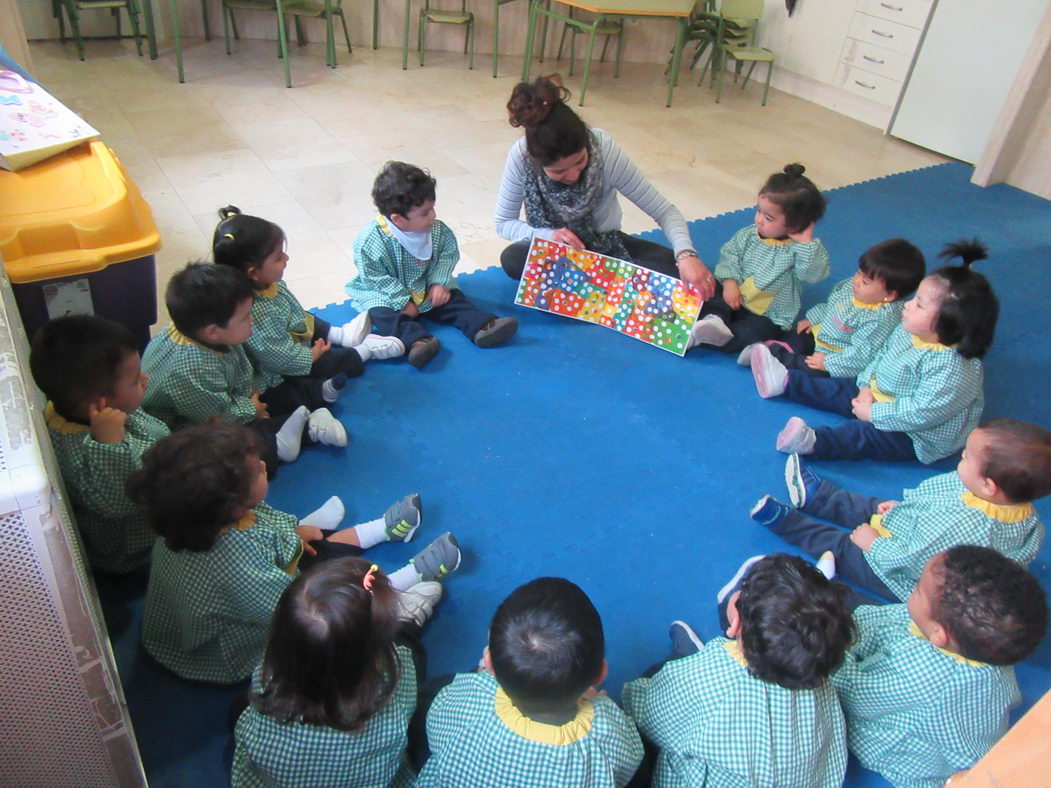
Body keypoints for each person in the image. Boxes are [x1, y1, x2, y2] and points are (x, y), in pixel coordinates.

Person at [128, 422, 462, 684]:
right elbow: (299, 607)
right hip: (223, 652)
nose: (262, 464)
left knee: (310, 543)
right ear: (232, 506)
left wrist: (293, 532)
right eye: (256, 471)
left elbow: (260, 523)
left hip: (243, 594)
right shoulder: (236, 563)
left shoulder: (189, 519)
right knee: (329, 584)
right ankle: (398, 587)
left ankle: (379, 531)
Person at [751, 418, 1048, 602]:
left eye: (967, 457)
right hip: (915, 530)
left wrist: (874, 544)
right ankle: (818, 497)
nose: (961, 456)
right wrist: (904, 510)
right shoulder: (1024, 517)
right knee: (872, 507)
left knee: (842, 546)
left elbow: (915, 561)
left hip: (901, 573)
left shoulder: (961, 525)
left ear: (988, 486)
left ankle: (787, 522)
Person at [622, 554, 854, 788]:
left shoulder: (713, 681)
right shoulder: (815, 664)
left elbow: (650, 716)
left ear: (734, 625)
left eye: (743, 590)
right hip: (813, 778)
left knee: (651, 691)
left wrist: (634, 696)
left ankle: (683, 655)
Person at [764, 240, 997, 463]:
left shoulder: (953, 368)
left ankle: (814, 442)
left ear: (947, 323)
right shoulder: (908, 330)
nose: (906, 304)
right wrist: (865, 385)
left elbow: (922, 412)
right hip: (879, 393)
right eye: (914, 299)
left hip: (916, 433)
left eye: (919, 305)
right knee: (836, 389)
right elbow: (880, 356)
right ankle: (786, 383)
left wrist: (874, 413)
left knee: (863, 436)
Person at [832, 546, 1047, 787]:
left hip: (906, 754)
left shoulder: (921, 677)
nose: (914, 588)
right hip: (948, 718)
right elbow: (897, 617)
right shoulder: (980, 646)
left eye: (918, 590)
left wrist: (836, 647)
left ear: (938, 633)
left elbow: (852, 694)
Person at [496, 76, 716, 300]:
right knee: (514, 258)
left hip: (606, 245)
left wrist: (686, 255)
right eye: (559, 172)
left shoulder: (604, 150)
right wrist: (547, 235)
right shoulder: (522, 157)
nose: (573, 175)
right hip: (557, 254)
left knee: (696, 277)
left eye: (580, 162)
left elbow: (664, 211)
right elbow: (504, 223)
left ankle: (595, 291)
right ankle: (622, 289)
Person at [413, 577, 644, 787]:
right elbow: (630, 761)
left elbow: (435, 727)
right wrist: (596, 705)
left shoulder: (467, 700)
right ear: (600, 673)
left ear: (489, 664)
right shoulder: (606, 731)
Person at [232, 557, 433, 788]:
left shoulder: (264, 675)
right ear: (370, 661)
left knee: (237, 710)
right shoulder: (393, 687)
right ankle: (406, 622)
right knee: (411, 651)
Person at [141, 263, 347, 475]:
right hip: (188, 428)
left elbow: (242, 375)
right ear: (213, 332)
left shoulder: (202, 331)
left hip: (229, 399)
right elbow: (215, 418)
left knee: (278, 387)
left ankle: (315, 394)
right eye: (245, 317)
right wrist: (251, 409)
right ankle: (301, 434)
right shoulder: (189, 370)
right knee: (230, 452)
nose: (253, 319)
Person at [213, 205, 404, 400]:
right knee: (327, 363)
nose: (286, 258)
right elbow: (278, 358)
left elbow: (291, 309)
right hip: (285, 358)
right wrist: (311, 356)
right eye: (279, 257)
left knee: (307, 318)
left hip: (290, 330)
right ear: (253, 273)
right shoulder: (255, 313)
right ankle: (364, 351)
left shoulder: (262, 281)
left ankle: (341, 334)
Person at [29, 315, 170, 574]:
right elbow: (120, 502)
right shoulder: (86, 444)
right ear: (101, 404)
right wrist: (111, 445)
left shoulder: (78, 409)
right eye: (135, 380)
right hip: (136, 551)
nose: (145, 378)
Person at [346, 161, 519, 369]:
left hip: (426, 284)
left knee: (454, 299)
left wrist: (439, 282)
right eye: (425, 212)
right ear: (398, 220)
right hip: (388, 293)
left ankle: (482, 325)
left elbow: (447, 255)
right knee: (381, 314)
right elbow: (373, 276)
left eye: (432, 208)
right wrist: (401, 300)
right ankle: (417, 341)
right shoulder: (369, 242)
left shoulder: (437, 231)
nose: (433, 216)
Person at [688, 164, 830, 354]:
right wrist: (730, 284)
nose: (759, 219)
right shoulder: (749, 235)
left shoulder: (800, 250)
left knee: (753, 333)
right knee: (708, 296)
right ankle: (714, 320)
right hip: (732, 295)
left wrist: (806, 244)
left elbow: (813, 275)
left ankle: (711, 338)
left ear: (795, 223)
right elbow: (730, 255)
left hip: (768, 314)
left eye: (769, 218)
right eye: (758, 210)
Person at [741, 237, 925, 378]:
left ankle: (775, 359)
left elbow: (861, 355)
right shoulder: (851, 289)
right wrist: (813, 319)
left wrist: (828, 363)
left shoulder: (880, 319)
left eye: (866, 282)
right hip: (822, 334)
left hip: (838, 356)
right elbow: (832, 306)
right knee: (799, 336)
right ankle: (779, 348)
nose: (856, 281)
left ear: (890, 295)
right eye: (858, 273)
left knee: (812, 370)